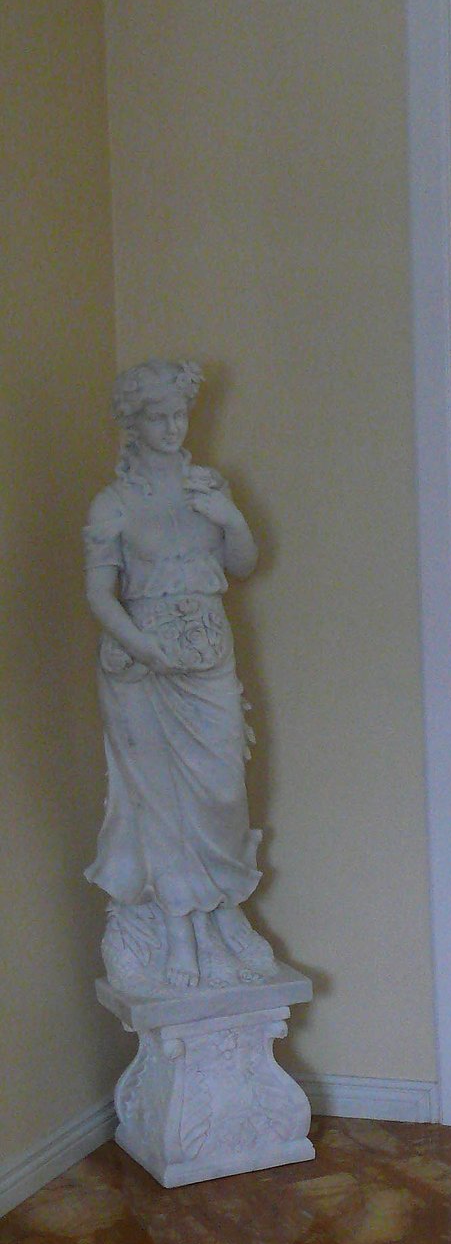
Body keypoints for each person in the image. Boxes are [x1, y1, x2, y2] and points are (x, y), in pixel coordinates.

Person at [83, 360, 276, 991]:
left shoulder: (207, 487)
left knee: (222, 793)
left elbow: (242, 564)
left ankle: (221, 917)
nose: (172, 428)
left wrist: (231, 517)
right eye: (157, 417)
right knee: (160, 803)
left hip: (208, 655)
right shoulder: (113, 504)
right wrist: (143, 645)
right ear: (132, 424)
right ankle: (178, 936)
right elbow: (99, 593)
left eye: (178, 415)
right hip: (141, 666)